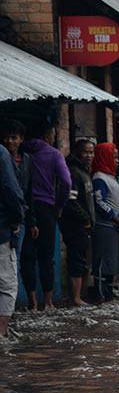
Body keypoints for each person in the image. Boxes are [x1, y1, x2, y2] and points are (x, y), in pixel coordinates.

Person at [21, 124, 70, 311]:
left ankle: (32, 302)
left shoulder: (21, 153)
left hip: (24, 207)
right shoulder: (54, 154)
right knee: (46, 256)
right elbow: (66, 182)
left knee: (27, 256)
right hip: (47, 208)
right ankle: (48, 302)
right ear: (49, 135)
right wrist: (59, 205)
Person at [0, 121, 36, 308]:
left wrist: (31, 221)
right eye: (6, 137)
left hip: (18, 218)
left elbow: (28, 193)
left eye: (14, 137)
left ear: (21, 139)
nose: (9, 141)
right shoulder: (2, 157)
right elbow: (10, 191)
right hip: (7, 219)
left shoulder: (27, 161)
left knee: (17, 260)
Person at [91, 143, 119, 303]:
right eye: (114, 157)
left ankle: (108, 293)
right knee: (104, 262)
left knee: (112, 262)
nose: (117, 160)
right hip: (106, 226)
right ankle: (101, 295)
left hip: (115, 228)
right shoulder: (99, 177)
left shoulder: (112, 176)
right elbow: (98, 201)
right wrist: (113, 215)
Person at [61, 137, 95, 307]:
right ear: (77, 152)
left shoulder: (85, 171)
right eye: (85, 152)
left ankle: (80, 296)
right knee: (76, 259)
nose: (89, 155)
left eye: (91, 152)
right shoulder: (74, 171)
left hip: (84, 224)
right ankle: (75, 297)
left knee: (82, 260)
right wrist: (85, 218)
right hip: (75, 224)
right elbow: (70, 199)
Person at [0, 143, 25, 341]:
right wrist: (17, 219)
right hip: (1, 230)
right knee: (7, 283)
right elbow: (11, 189)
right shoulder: (1, 153)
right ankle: (1, 332)